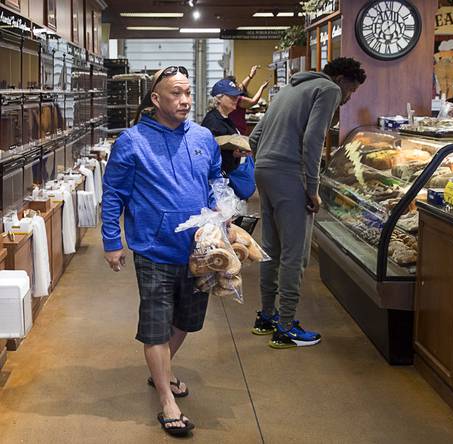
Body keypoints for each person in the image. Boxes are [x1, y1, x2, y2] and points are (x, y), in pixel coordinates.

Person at [102, 66, 222, 437]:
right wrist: (111, 242)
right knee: (155, 325)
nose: (185, 100)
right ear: (156, 99)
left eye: (188, 93)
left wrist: (224, 212)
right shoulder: (132, 141)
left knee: (186, 320)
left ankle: (162, 374)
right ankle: (167, 401)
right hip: (153, 247)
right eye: (175, 93)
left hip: (200, 249)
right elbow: (114, 194)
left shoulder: (203, 136)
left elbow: (216, 178)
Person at [249, 57, 366, 349]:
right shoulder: (328, 90)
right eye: (350, 91)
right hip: (291, 175)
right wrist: (312, 188)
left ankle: (267, 317)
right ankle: (286, 327)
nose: (349, 98)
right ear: (340, 79)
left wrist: (268, 163)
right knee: (295, 254)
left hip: (264, 170)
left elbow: (254, 138)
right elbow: (314, 140)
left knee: (271, 248)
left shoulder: (290, 88)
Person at [201, 78, 249, 174]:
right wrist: (233, 155)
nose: (236, 99)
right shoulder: (213, 122)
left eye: (237, 96)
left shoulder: (224, 118)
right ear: (219, 98)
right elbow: (209, 154)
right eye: (232, 96)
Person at [227, 65, 270, 136]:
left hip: (232, 127)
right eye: (236, 83)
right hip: (237, 129)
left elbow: (242, 87)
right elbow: (253, 101)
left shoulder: (228, 96)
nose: (238, 84)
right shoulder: (237, 99)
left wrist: (251, 75)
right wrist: (262, 88)